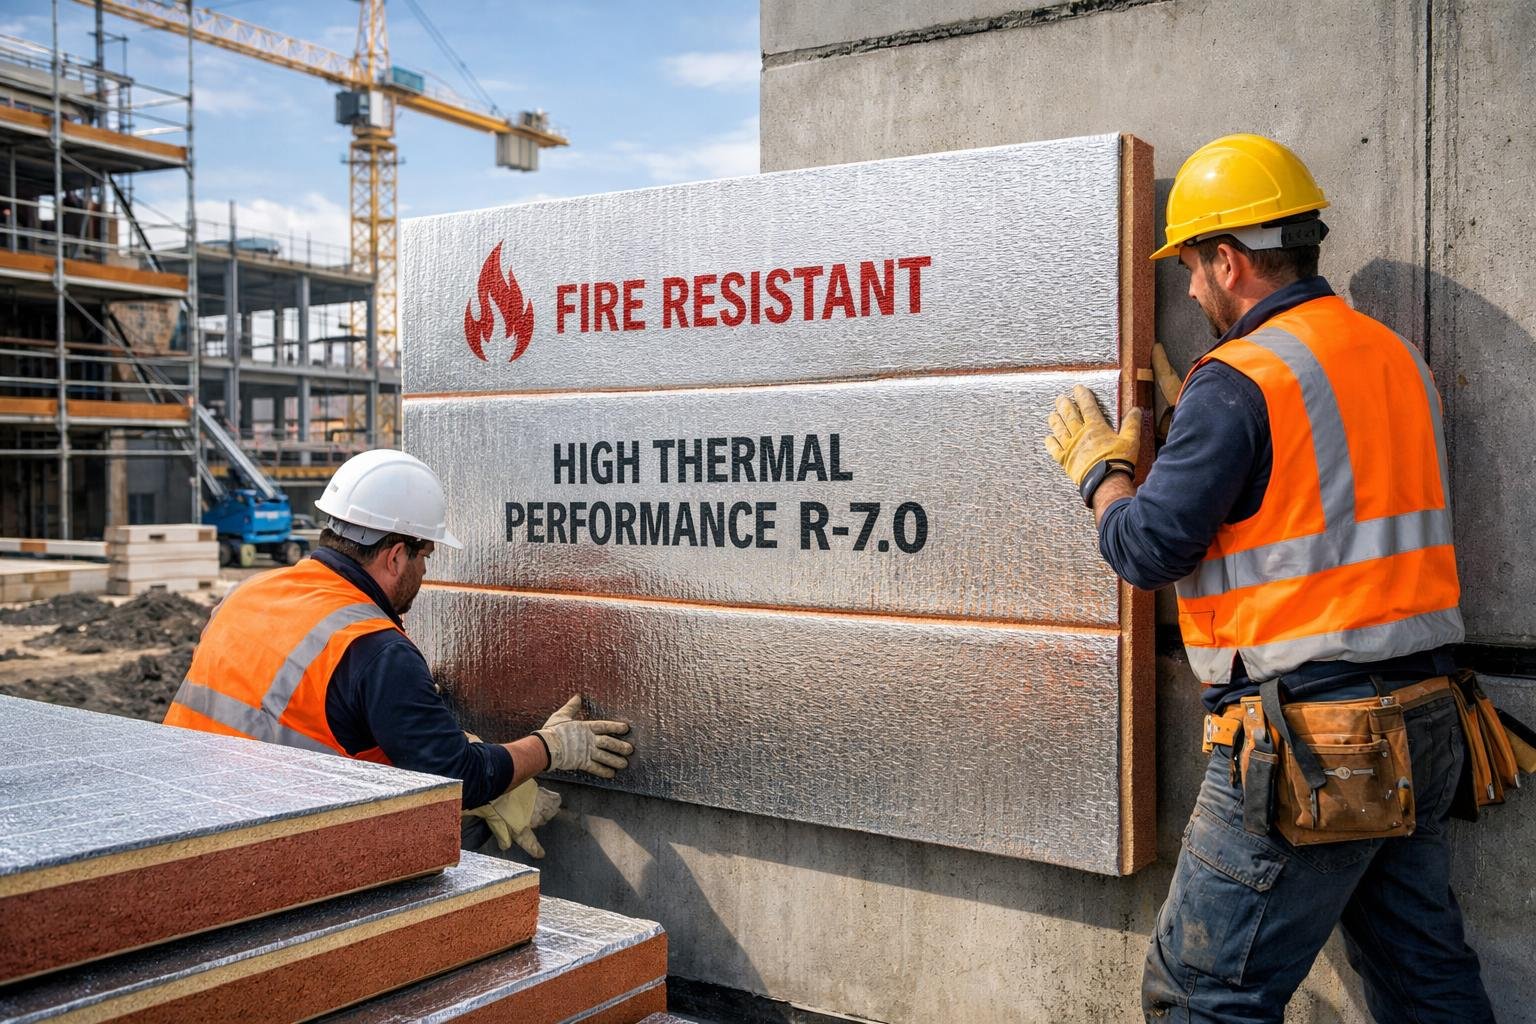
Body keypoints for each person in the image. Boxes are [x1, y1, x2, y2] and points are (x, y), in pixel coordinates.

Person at [1043, 134, 1492, 1022]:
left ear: (1229, 258)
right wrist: (1201, 431)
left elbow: (1146, 547)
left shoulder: (1240, 380)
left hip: (1315, 744)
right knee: (1424, 981)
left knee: (1202, 997)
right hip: (1426, 717)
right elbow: (1312, 495)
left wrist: (1103, 472)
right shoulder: (1395, 358)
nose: (1189, 290)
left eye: (1193, 270)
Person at [164, 448, 633, 858]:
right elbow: (456, 779)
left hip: (183, 815)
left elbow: (295, 715)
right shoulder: (375, 648)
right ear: (394, 556)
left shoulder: (250, 592)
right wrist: (548, 748)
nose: (425, 572)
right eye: (425, 556)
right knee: (457, 819)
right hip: (275, 847)